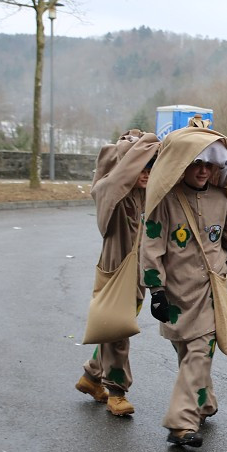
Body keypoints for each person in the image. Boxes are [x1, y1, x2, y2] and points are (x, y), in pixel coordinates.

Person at [140, 125, 227, 448]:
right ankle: (204, 400)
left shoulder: (221, 200)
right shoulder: (166, 201)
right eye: (196, 163)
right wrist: (156, 290)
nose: (202, 170)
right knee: (188, 352)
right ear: (182, 165)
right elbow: (152, 245)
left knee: (199, 351)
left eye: (208, 164)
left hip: (211, 294)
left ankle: (181, 422)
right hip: (176, 296)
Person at [76, 129, 159, 416]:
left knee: (114, 331)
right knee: (118, 335)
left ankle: (91, 376)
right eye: (142, 166)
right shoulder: (110, 193)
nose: (148, 172)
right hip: (116, 273)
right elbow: (117, 181)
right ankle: (117, 392)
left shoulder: (146, 196)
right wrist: (144, 145)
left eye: (152, 166)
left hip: (138, 278)